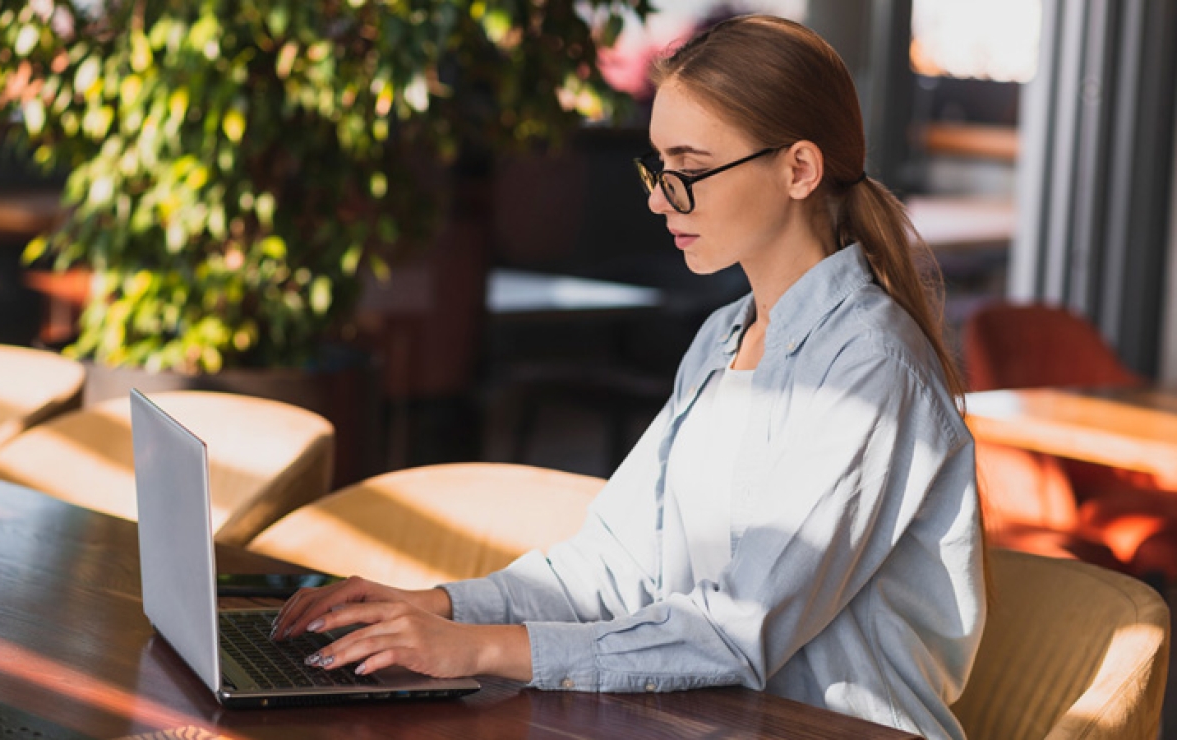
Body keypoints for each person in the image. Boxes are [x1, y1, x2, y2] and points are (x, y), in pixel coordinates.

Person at [273, 14, 986, 739]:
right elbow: (612, 566)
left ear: (799, 169)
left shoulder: (869, 367)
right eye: (657, 166)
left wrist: (477, 650)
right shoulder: (723, 338)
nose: (657, 199)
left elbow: (735, 632)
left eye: (689, 168)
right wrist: (437, 607)